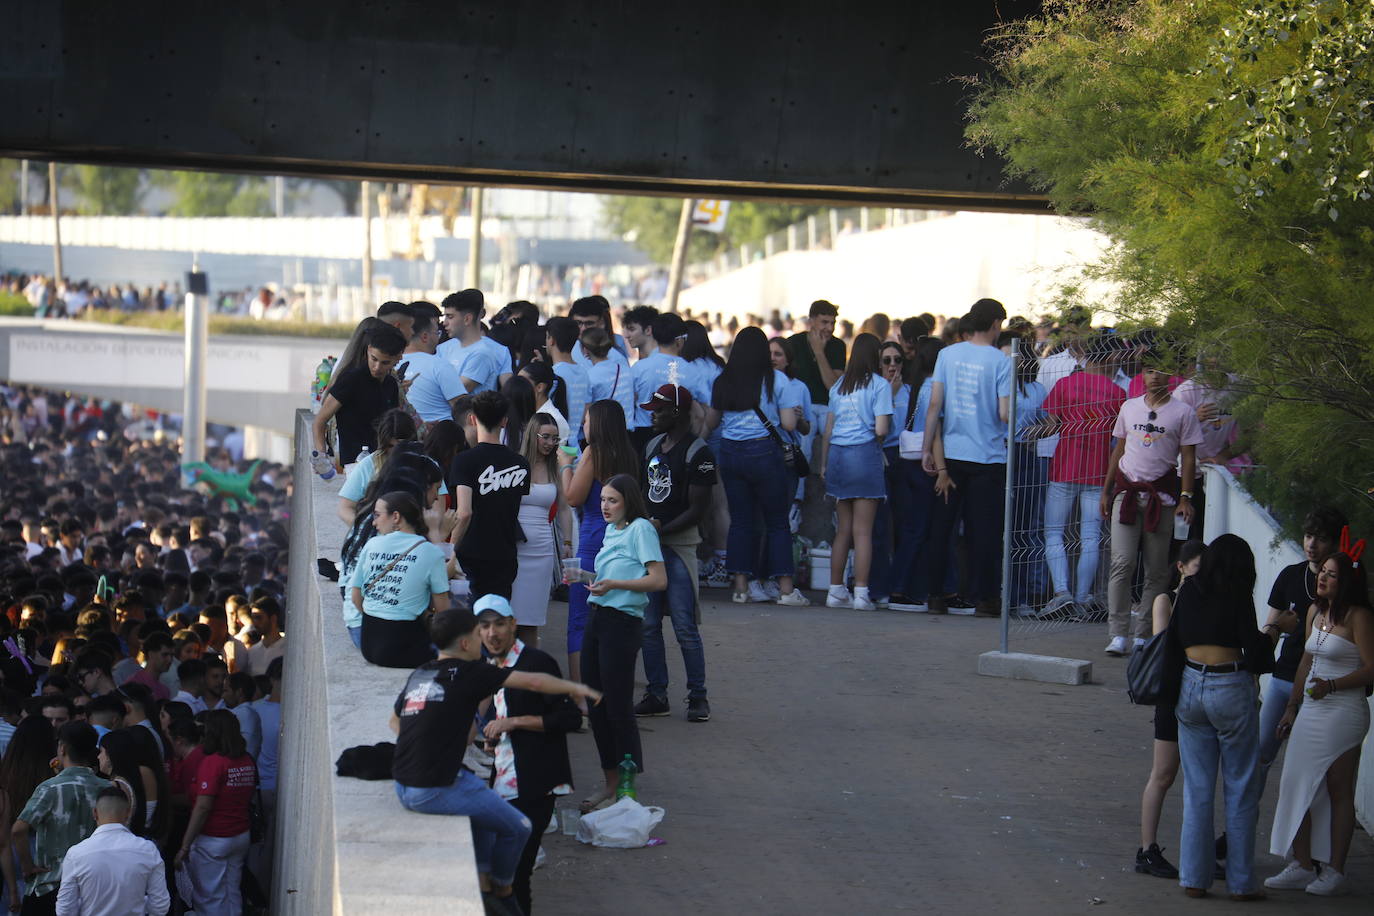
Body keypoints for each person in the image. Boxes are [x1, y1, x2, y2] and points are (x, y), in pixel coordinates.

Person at [390, 607, 600, 916]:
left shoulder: (421, 671)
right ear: (465, 643)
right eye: (479, 633)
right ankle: (501, 888)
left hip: (403, 785)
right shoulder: (473, 671)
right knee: (519, 828)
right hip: (434, 787)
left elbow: (395, 722)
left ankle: (483, 882)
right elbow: (536, 683)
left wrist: (436, 743)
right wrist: (576, 687)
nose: (485, 639)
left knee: (485, 821)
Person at [1166, 534, 1288, 899]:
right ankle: (1239, 883)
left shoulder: (1187, 592)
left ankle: (1193, 878)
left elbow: (1173, 644)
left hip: (1190, 684)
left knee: (1197, 790)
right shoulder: (1237, 595)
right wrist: (1277, 629)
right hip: (1230, 686)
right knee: (1240, 788)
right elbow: (1257, 656)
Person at [1266, 538, 1373, 896]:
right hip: (1311, 705)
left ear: (1348, 583)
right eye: (1323, 573)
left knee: (1337, 788)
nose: (1323, 579)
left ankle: (1335, 869)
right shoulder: (1315, 611)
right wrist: (1292, 706)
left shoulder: (1359, 617)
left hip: (1344, 709)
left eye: (1331, 575)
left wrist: (1335, 685)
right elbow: (1306, 662)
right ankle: (1301, 862)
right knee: (1296, 781)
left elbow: (1371, 669)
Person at [475, 596, 583, 916]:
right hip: (502, 779)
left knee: (515, 873)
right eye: (484, 626)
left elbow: (570, 719)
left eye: (499, 624)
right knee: (498, 873)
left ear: (512, 625)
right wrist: (493, 739)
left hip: (535, 781)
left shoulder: (537, 663)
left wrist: (516, 723)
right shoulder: (489, 668)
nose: (492, 633)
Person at [1101, 343, 1204, 656]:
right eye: (1148, 371)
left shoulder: (1183, 412)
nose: (1154, 376)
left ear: (1170, 375)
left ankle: (1144, 633)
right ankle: (1118, 633)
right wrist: (1107, 491)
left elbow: (1187, 458)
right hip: (1127, 494)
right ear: (1142, 375)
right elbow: (1119, 450)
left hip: (1163, 497)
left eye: (1160, 370)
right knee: (1121, 562)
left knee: (1157, 569)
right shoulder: (1129, 407)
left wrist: (1185, 497)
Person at [578, 474, 666, 813]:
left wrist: (613, 583)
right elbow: (611, 579)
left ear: (628, 501)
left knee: (618, 708)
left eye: (612, 500)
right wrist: (592, 581)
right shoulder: (611, 532)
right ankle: (610, 783)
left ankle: (626, 791)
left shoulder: (640, 528)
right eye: (602, 500)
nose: (604, 506)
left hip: (622, 623)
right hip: (597, 618)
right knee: (597, 704)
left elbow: (658, 579)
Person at [921, 298, 1013, 616]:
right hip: (988, 458)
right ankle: (985, 598)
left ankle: (935, 594)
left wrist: (925, 449)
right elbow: (1004, 413)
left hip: (952, 456)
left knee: (942, 528)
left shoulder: (947, 354)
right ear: (996, 324)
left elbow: (935, 406)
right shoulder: (1001, 361)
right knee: (984, 533)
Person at [704, 327, 808, 607]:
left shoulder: (724, 380)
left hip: (730, 453)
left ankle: (740, 587)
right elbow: (787, 425)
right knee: (777, 522)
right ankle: (786, 590)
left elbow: (711, 422)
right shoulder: (778, 380)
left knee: (740, 521)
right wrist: (796, 415)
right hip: (764, 452)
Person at [635, 384, 716, 722]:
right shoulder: (654, 445)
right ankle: (657, 693)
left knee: (684, 625)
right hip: (652, 548)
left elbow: (698, 510)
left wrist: (658, 530)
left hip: (679, 548)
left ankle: (698, 697)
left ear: (678, 413)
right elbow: (644, 491)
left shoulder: (700, 453)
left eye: (660, 409)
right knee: (649, 624)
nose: (652, 414)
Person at [1257, 507, 1346, 792]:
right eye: (1308, 536)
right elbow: (1268, 627)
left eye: (1320, 538)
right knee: (1259, 754)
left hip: (1318, 688)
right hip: (1283, 678)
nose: (1311, 544)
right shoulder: (1290, 576)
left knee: (1308, 769)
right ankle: (1237, 829)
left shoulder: (1344, 588)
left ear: (1333, 544)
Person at [1039, 332, 1126, 619]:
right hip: (1098, 470)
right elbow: (1118, 440)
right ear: (1110, 357)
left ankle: (1061, 592)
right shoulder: (1117, 394)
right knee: (1090, 537)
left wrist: (1023, 436)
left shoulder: (1066, 384)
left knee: (1054, 533)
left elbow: (1050, 426)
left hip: (1065, 465)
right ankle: (1082, 598)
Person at [1136, 539, 1204, 880]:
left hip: (1198, 695)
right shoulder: (1167, 600)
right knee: (1162, 774)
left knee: (1198, 778)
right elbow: (1167, 643)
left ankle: (1199, 852)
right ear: (1181, 567)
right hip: (1172, 695)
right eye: (1196, 568)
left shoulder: (1210, 600)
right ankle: (1147, 848)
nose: (1202, 575)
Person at [817, 333, 892, 610]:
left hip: (837, 455)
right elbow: (882, 429)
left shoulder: (839, 386)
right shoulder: (880, 386)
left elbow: (827, 430)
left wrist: (823, 464)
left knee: (843, 531)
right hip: (864, 455)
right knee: (863, 532)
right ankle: (861, 593)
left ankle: (835, 590)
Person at [12, 722, 110, 913]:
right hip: (94, 885)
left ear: (62, 748)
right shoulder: (107, 788)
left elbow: (18, 830)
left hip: (51, 885)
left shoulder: (50, 788)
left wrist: (27, 866)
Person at [348, 490, 449, 667]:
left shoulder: (372, 544)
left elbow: (356, 596)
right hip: (406, 649)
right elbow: (444, 611)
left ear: (396, 517)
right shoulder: (432, 553)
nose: (374, 522)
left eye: (377, 515)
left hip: (369, 646)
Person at [450, 391, 532, 600]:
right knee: (498, 616)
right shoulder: (520, 463)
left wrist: (450, 549)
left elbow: (464, 512)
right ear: (504, 421)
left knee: (470, 621)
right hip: (505, 553)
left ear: (472, 419)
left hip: (471, 553)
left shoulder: (464, 461)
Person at [175, 710, 257, 916]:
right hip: (240, 835)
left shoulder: (213, 762)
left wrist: (185, 846)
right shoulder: (246, 760)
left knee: (209, 899)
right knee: (232, 892)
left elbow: (203, 807)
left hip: (213, 839)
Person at [884, 336, 942, 611]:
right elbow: (937, 427)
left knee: (911, 528)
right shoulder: (934, 387)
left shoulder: (916, 386)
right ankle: (900, 588)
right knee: (919, 529)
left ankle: (903, 586)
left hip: (907, 458)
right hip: (926, 460)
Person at [54, 786, 170, 916]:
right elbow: (160, 906)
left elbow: (65, 910)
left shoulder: (76, 854)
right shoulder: (148, 850)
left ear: (95, 813)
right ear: (128, 813)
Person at [510, 412, 574, 647]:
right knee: (510, 617)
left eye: (554, 439)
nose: (549, 443)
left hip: (543, 550)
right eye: (545, 437)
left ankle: (528, 671)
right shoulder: (515, 464)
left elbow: (565, 509)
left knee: (532, 618)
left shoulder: (556, 468)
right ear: (532, 435)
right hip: (515, 548)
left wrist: (567, 543)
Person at [312, 323, 407, 466]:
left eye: (385, 363)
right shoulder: (351, 379)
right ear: (368, 350)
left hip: (382, 464)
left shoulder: (391, 385)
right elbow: (319, 421)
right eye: (374, 359)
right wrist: (321, 457)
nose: (377, 367)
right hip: (352, 465)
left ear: (398, 358)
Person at [629, 313, 708, 449]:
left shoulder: (640, 367)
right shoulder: (693, 371)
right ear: (680, 340)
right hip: (678, 435)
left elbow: (631, 401)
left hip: (643, 434)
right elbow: (701, 412)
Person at [784, 300, 846, 443]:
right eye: (824, 322)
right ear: (811, 321)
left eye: (833, 323)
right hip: (801, 405)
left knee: (834, 442)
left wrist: (819, 352)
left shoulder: (838, 345)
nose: (830, 328)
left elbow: (833, 386)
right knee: (804, 449)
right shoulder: (793, 343)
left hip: (828, 406)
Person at [436, 289, 510, 394]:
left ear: (467, 319)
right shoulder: (442, 349)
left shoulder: (485, 353)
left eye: (450, 317)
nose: (444, 323)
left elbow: (456, 392)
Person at [400, 311, 467, 425]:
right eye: (437, 333)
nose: (439, 338)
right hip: (442, 435)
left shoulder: (392, 363)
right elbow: (463, 408)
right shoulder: (439, 365)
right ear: (425, 336)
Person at [544, 316, 590, 439]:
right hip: (575, 444)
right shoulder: (583, 372)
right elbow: (586, 412)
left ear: (551, 340)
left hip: (554, 444)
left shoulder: (552, 375)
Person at [582, 328, 636, 426]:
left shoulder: (589, 376)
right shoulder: (626, 370)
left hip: (604, 431)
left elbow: (585, 413)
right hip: (628, 430)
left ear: (585, 350)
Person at [568, 296, 629, 369]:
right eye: (578, 323)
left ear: (602, 324)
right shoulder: (565, 352)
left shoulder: (617, 359)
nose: (583, 328)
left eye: (589, 323)